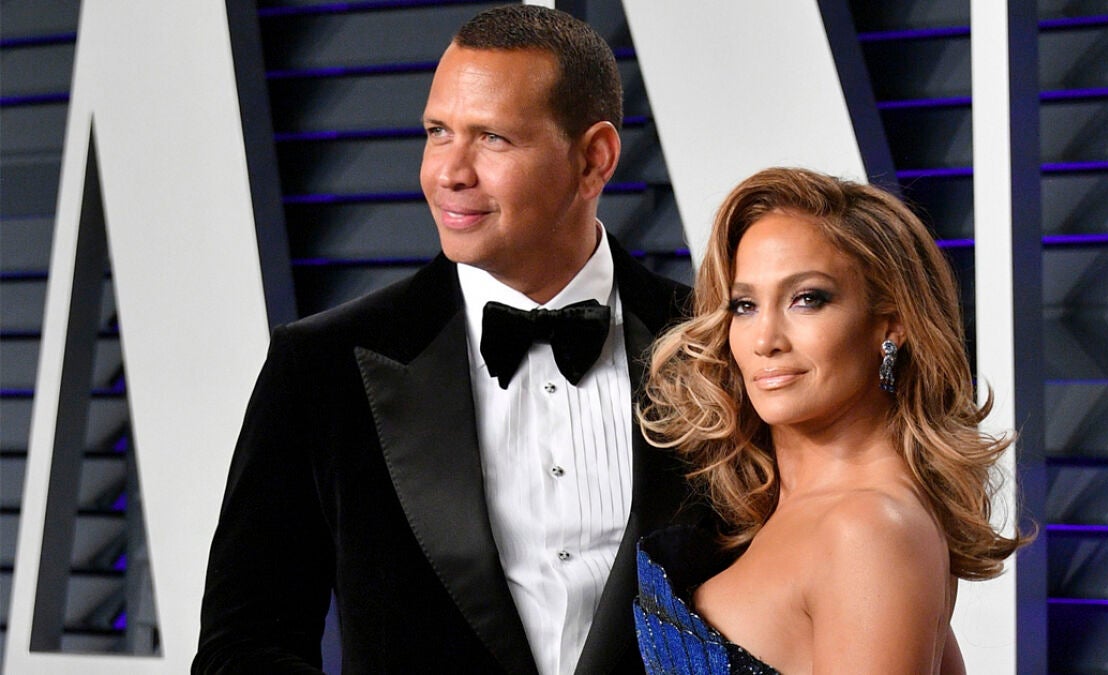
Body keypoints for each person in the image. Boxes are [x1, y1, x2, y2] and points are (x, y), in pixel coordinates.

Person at [194, 5, 703, 673]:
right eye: (438, 133)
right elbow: (240, 648)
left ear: (594, 159)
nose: (449, 173)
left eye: (492, 138)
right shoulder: (321, 365)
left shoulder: (715, 346)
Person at [634, 167, 1033, 673]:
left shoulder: (866, 530)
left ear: (892, 324)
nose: (765, 340)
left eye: (807, 299)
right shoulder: (829, 513)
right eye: (745, 305)